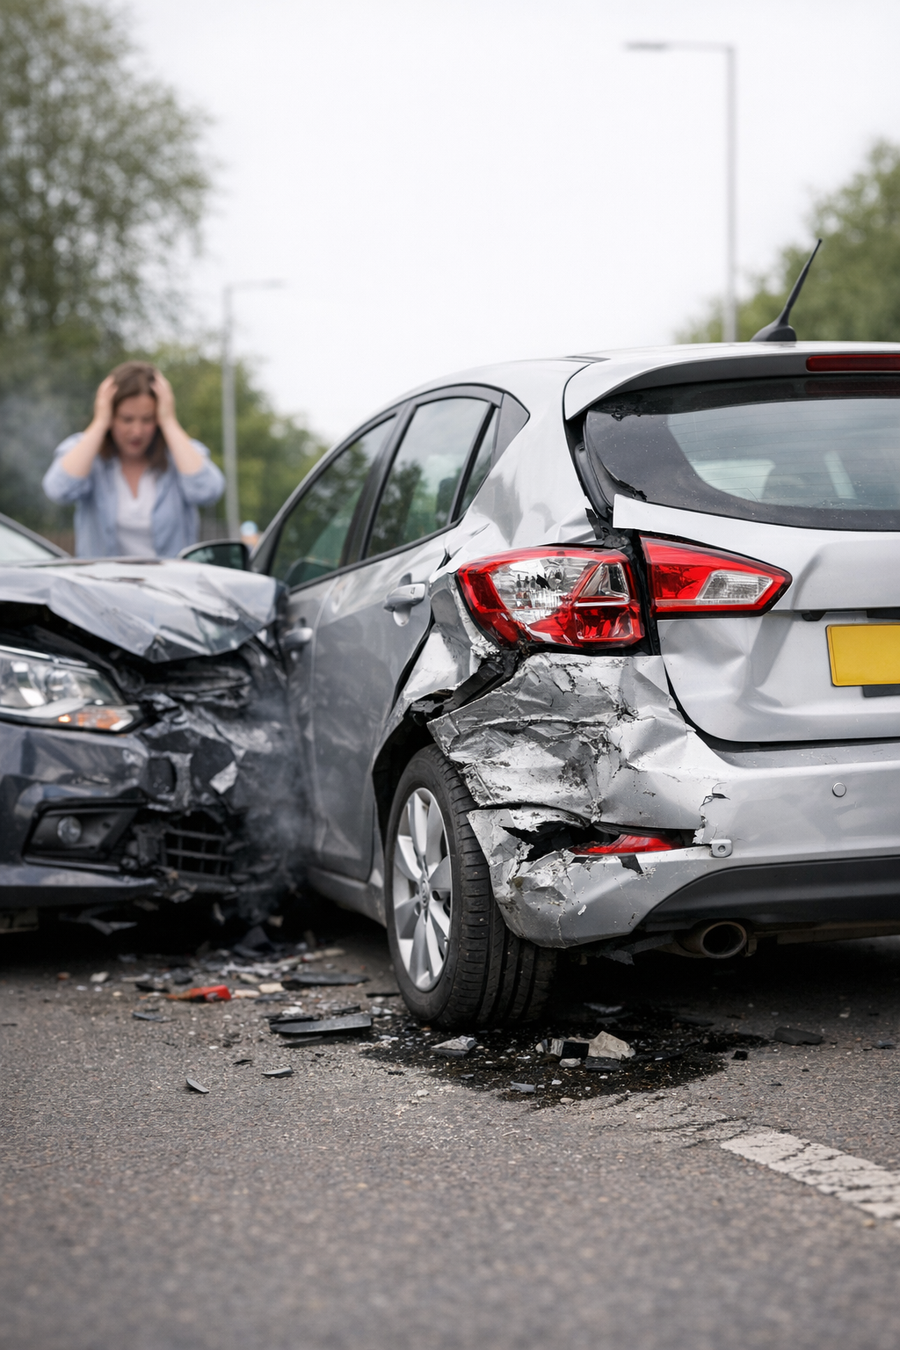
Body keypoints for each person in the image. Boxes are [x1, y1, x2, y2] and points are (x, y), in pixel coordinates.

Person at [43, 362, 225, 558]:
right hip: (103, 586)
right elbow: (59, 489)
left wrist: (169, 421)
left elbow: (208, 491)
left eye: (147, 419)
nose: (137, 431)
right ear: (112, 415)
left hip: (168, 586)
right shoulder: (87, 452)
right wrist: (100, 422)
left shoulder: (180, 454)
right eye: (127, 419)